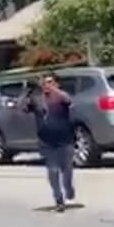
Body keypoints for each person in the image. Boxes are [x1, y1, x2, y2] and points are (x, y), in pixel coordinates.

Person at [26, 74, 78, 211]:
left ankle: (68, 187)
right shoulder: (37, 99)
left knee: (67, 168)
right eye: (44, 83)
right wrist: (27, 91)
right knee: (53, 170)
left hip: (65, 138)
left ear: (56, 84)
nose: (46, 85)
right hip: (46, 141)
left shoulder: (61, 96)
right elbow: (22, 107)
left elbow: (70, 101)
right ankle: (58, 199)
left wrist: (55, 90)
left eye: (50, 82)